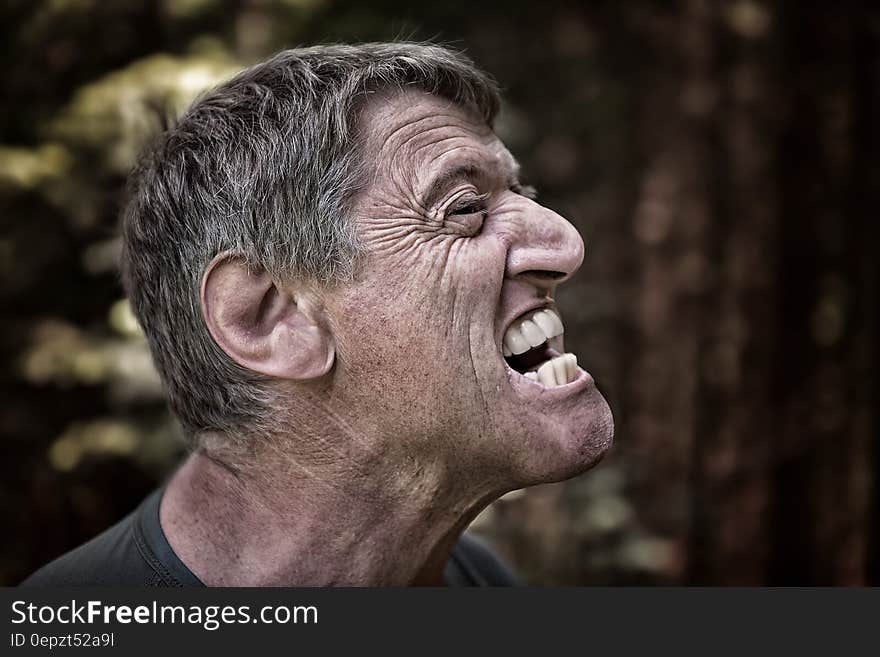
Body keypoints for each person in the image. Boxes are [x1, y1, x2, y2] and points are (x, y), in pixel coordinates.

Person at [23, 42, 614, 587]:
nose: (565, 243)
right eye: (463, 210)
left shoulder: (480, 581)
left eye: (523, 194)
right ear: (269, 318)